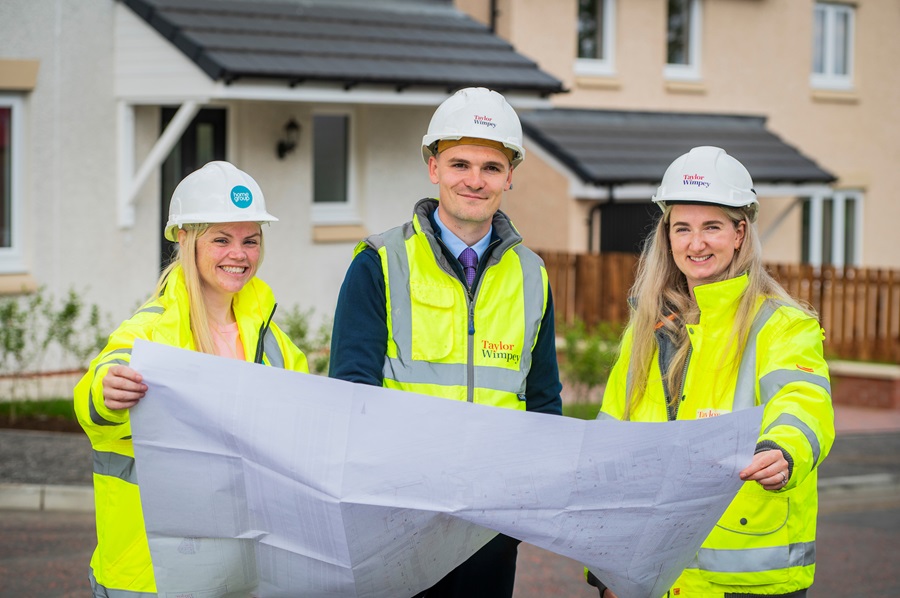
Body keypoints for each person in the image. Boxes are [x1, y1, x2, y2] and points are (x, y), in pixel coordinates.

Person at [329, 87, 563, 598]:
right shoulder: (379, 263)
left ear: (510, 176)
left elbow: (543, 402)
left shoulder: (532, 275)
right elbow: (350, 396)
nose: (474, 181)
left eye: (491, 167)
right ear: (433, 168)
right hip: (399, 518)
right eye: (460, 164)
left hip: (491, 523)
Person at [586, 146, 835, 598]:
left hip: (745, 581)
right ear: (668, 236)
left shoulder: (782, 325)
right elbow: (612, 448)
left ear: (740, 233)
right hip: (655, 577)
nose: (696, 243)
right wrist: (608, 570)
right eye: (683, 228)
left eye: (712, 227)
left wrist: (785, 449)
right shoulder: (647, 328)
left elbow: (802, 400)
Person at [74, 161, 310, 597]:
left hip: (243, 567)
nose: (238, 254)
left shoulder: (275, 343)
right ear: (185, 239)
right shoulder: (150, 331)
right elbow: (95, 400)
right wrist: (107, 393)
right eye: (221, 239)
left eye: (250, 240)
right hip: (150, 571)